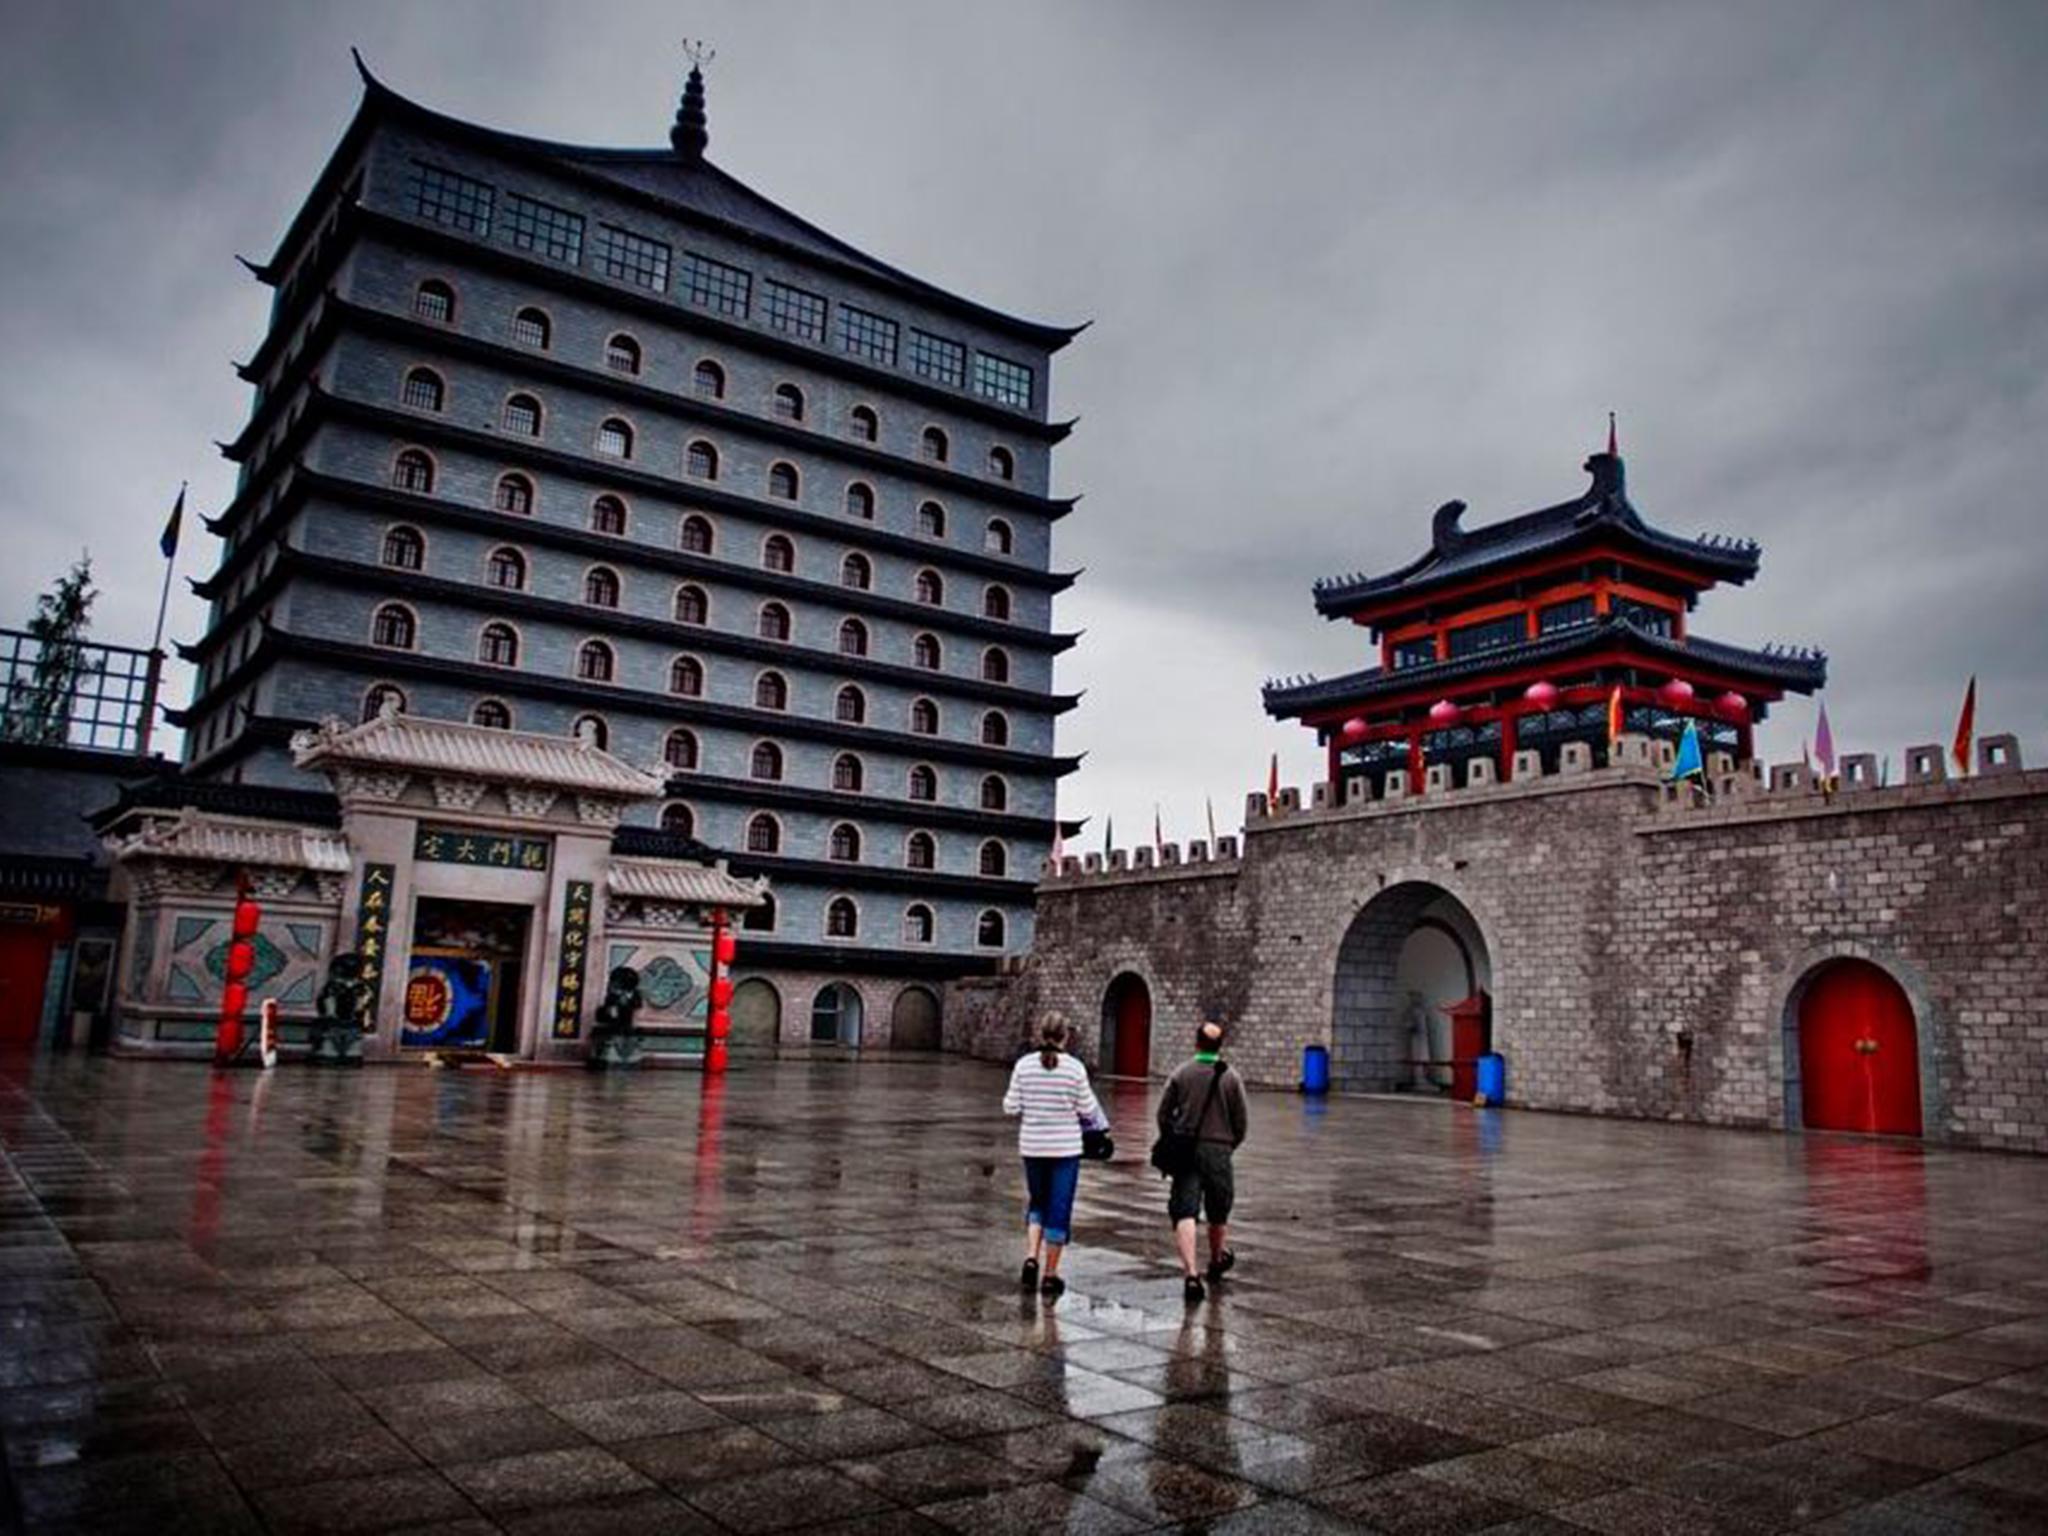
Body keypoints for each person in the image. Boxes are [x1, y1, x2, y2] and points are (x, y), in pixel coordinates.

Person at [1002, 1015, 1106, 1299]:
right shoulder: (1074, 1069)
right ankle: (1050, 1274)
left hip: (1033, 1146)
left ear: (1041, 1033)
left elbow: (1010, 1106)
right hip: (1065, 1149)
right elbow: (1088, 1109)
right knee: (1059, 1208)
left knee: (1037, 1202)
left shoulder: (1024, 1066)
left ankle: (1031, 1257)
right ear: (1065, 1036)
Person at [1156, 1020, 1248, 1303]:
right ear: (1220, 1046)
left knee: (1185, 1210)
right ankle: (1217, 1261)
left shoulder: (1181, 1073)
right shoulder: (1231, 1077)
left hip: (1186, 1150)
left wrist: (1173, 1136)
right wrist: (1228, 1145)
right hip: (1219, 1151)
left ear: (1196, 1043)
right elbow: (1241, 1123)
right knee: (1218, 1211)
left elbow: (1162, 1114)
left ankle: (1191, 1275)